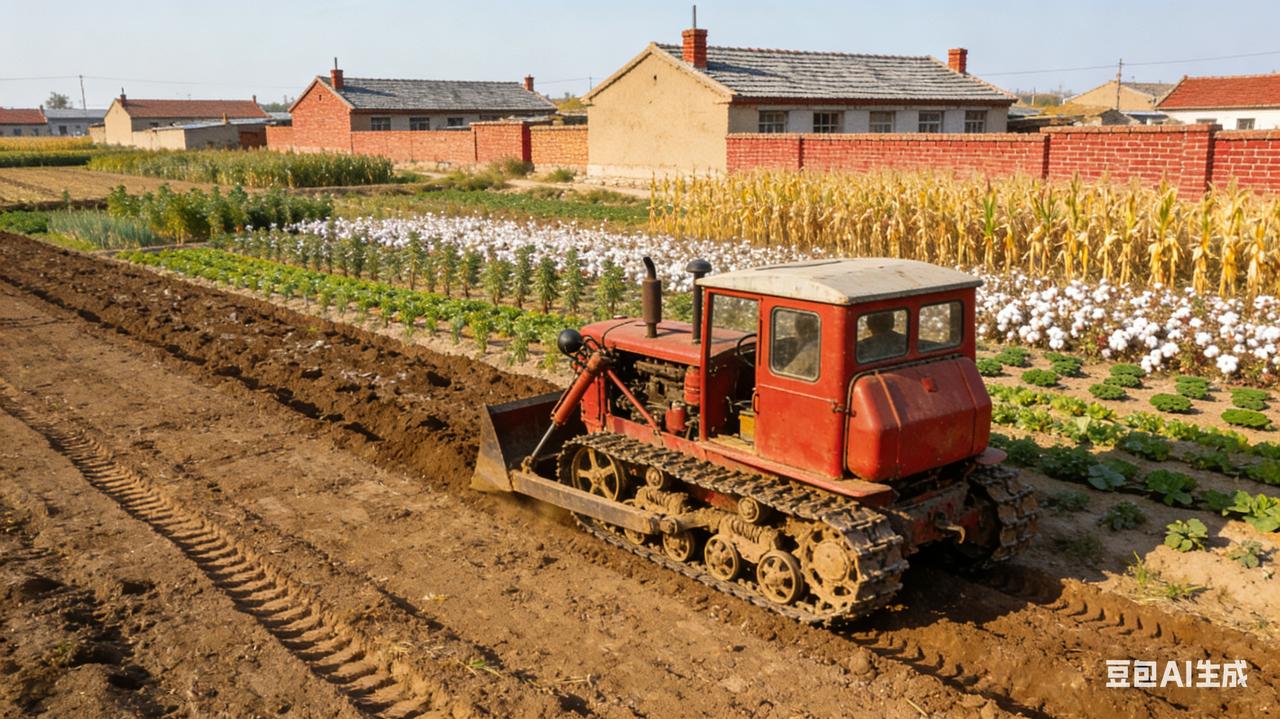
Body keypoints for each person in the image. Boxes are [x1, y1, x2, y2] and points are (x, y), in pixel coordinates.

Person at [781, 313, 821, 379]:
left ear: (806, 332)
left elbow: (786, 374)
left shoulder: (810, 351)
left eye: (797, 331)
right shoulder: (819, 342)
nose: (796, 335)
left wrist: (779, 367)